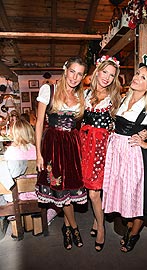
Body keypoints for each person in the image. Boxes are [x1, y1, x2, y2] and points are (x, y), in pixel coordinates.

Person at [102, 63, 147, 253]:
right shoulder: (123, 99)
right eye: (137, 74)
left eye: (143, 77)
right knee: (123, 195)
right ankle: (129, 229)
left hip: (133, 157)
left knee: (137, 199)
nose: (136, 78)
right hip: (117, 155)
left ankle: (134, 234)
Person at [80, 55, 147, 252]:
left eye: (112, 74)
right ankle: (96, 219)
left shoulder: (116, 98)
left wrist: (141, 131)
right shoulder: (84, 95)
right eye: (105, 72)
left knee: (95, 192)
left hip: (105, 147)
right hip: (85, 145)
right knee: (93, 190)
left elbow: (130, 117)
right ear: (98, 71)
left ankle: (101, 227)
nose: (107, 77)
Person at [35, 56, 87, 250]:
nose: (75, 77)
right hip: (53, 146)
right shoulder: (49, 90)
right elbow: (39, 123)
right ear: (65, 70)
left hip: (73, 146)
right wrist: (38, 154)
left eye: (79, 74)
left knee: (69, 190)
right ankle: (74, 228)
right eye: (72, 71)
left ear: (83, 77)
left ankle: (67, 229)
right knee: (60, 188)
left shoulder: (82, 96)